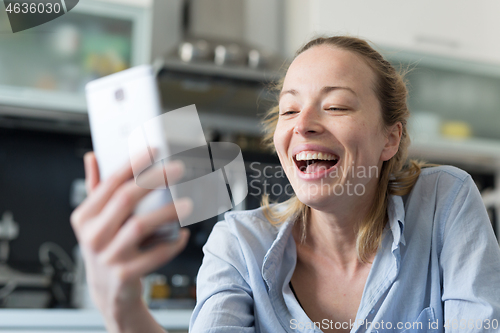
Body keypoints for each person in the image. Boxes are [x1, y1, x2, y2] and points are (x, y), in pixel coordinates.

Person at [71, 36, 500, 333]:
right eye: (289, 111)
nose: (305, 125)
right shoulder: (238, 243)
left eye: (335, 105)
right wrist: (122, 307)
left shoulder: (446, 202)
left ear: (391, 137)